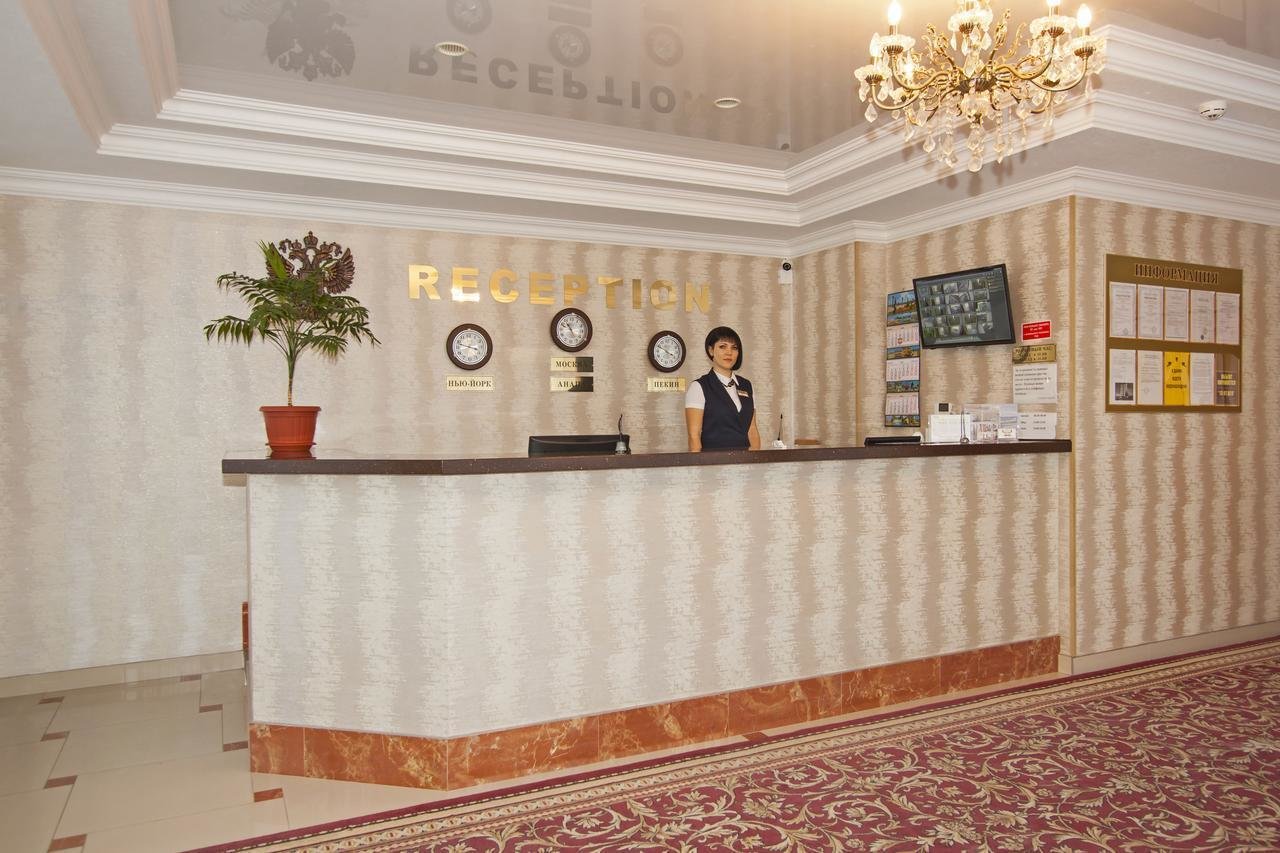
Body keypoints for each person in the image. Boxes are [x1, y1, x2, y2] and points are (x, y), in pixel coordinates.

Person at [685, 326, 761, 452]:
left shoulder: (747, 385)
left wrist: (755, 460)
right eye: (722, 346)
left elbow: (752, 429)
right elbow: (694, 435)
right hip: (713, 460)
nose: (729, 352)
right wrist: (697, 464)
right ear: (711, 350)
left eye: (734, 348)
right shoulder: (699, 387)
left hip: (745, 460)